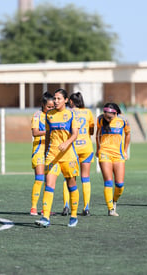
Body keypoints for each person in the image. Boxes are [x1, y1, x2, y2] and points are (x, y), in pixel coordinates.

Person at [34, 88, 80, 228]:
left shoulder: (71, 115)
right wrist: (46, 151)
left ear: (66, 100)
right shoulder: (49, 115)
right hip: (52, 155)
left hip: (68, 156)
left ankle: (73, 215)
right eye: (54, 98)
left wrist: (66, 143)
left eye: (59, 98)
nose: (55, 101)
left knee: (71, 185)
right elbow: (48, 135)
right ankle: (45, 217)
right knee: (49, 185)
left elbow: (75, 134)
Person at [62, 92, 95, 216]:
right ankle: (86, 208)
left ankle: (66, 206)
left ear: (71, 101)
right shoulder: (88, 112)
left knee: (69, 178)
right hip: (86, 148)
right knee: (85, 178)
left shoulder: (68, 112)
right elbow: (91, 130)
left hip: (72, 148)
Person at [96, 103, 131, 216]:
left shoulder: (123, 121)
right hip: (104, 153)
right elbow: (98, 133)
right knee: (108, 182)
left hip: (118, 155)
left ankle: (114, 201)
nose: (107, 117)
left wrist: (125, 150)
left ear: (115, 113)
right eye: (105, 115)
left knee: (120, 185)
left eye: (109, 116)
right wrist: (98, 148)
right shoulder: (100, 119)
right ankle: (111, 209)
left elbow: (128, 134)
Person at [29, 92, 55, 216]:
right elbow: (35, 132)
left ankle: (45, 209)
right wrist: (48, 132)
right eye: (48, 107)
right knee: (39, 178)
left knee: (49, 181)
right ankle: (33, 208)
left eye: (52, 106)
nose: (51, 109)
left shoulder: (55, 116)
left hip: (51, 151)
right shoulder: (37, 115)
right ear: (43, 105)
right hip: (39, 150)